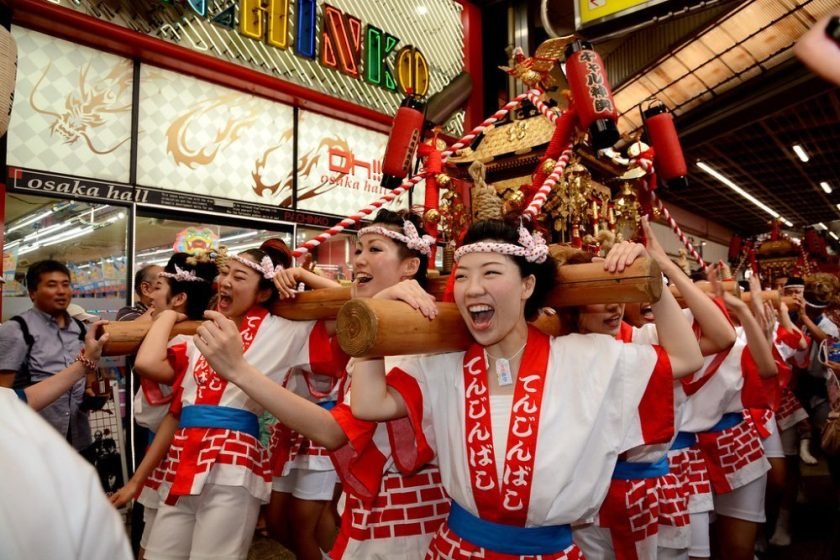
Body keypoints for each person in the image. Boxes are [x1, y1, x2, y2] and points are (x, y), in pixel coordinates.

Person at [348, 217, 704, 559]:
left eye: (490, 272)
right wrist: (374, 312)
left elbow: (686, 357)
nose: (473, 288)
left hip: (549, 552)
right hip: (458, 549)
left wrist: (653, 277)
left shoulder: (587, 357)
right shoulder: (443, 366)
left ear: (527, 286)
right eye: (464, 276)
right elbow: (368, 405)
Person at [196, 209, 452, 559]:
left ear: (410, 266)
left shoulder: (416, 338)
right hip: (375, 517)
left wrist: (239, 370)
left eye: (375, 249)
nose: (359, 259)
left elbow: (335, 431)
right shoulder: (389, 331)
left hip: (405, 527)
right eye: (358, 249)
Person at [130, 239, 335, 560]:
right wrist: (168, 316)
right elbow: (147, 363)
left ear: (263, 293)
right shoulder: (203, 332)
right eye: (225, 274)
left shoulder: (285, 330)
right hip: (183, 457)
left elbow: (353, 307)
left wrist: (302, 276)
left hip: (234, 464)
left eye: (239, 278)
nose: (225, 281)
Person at [572, 218, 736, 560]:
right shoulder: (559, 350)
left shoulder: (646, 339)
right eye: (599, 294)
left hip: (651, 491)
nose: (615, 304)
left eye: (618, 291)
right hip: (586, 497)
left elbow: (723, 336)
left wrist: (661, 267)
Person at [109, 252, 218, 560]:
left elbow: (145, 364)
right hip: (164, 451)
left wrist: (168, 316)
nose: (151, 296)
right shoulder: (178, 334)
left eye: (158, 288)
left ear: (179, 298)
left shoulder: (188, 344)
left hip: (180, 453)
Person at [0, 259, 92, 450]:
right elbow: (3, 396)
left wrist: (93, 394)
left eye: (65, 284)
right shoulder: (16, 330)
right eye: (51, 285)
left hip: (78, 439)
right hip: (35, 442)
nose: (61, 291)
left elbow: (88, 379)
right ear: (32, 293)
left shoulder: (80, 329)